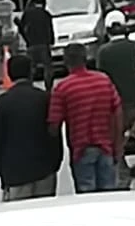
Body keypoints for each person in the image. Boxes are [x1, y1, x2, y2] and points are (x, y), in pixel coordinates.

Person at [47, 43, 123, 193]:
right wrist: (117, 145)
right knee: (109, 194)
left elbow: (54, 125)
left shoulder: (63, 88)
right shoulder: (103, 80)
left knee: (87, 195)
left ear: (65, 61)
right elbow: (117, 112)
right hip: (106, 147)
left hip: (81, 150)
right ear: (86, 58)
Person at [0, 52, 63, 200]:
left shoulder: (3, 101)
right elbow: (54, 132)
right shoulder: (44, 98)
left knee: (20, 211)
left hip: (16, 173)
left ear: (9, 74)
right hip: (44, 169)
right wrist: (56, 161)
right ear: (31, 72)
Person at [94, 23, 135, 188]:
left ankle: (122, 180)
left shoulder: (103, 52)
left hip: (116, 107)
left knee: (117, 145)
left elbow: (102, 78)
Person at [19, 0, 57, 90]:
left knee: (31, 67)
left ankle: (29, 85)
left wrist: (26, 39)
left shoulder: (27, 13)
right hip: (44, 44)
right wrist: (51, 41)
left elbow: (21, 28)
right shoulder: (46, 14)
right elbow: (50, 29)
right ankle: (48, 86)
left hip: (31, 44)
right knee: (47, 67)